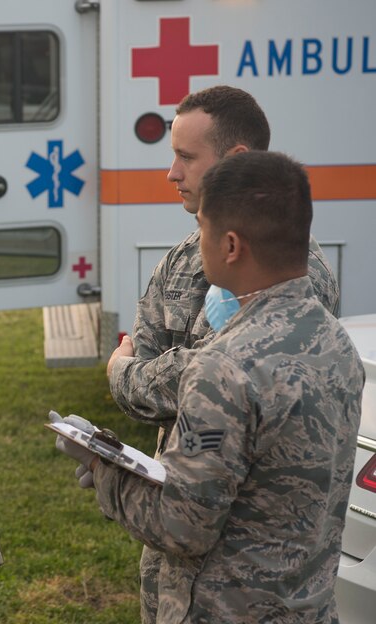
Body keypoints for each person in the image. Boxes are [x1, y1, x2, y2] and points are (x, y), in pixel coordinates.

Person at [59, 151, 364, 622]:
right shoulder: (337, 343)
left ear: (231, 246)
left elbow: (182, 525)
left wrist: (103, 470)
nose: (197, 242)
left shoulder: (223, 366)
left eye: (203, 229)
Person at [105, 85, 340, 623]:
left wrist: (126, 374)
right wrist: (150, 375)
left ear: (235, 161)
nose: (171, 172)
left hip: (253, 580)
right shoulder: (183, 257)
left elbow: (199, 377)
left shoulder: (298, 272)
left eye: (186, 157)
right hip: (175, 569)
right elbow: (155, 380)